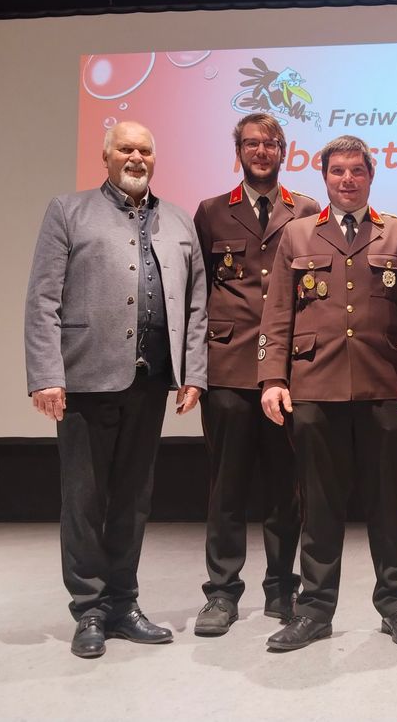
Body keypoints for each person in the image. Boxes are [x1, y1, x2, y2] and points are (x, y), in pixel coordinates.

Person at [25, 120, 207, 659]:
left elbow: (197, 303)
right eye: (125, 148)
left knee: (133, 500)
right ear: (105, 156)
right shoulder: (68, 211)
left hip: (149, 384)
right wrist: (46, 374)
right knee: (84, 501)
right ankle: (89, 609)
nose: (136, 157)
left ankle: (125, 603)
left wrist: (193, 371)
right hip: (82, 382)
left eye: (145, 150)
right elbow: (42, 299)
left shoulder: (178, 220)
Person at [259, 134, 397, 652]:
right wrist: (272, 378)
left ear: (371, 176)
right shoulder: (297, 236)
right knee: (319, 506)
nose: (347, 179)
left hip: (385, 386)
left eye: (357, 170)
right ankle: (314, 610)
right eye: (337, 171)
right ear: (325, 178)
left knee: (387, 503)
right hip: (314, 387)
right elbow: (277, 313)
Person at [192, 114, 319, 636]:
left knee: (285, 488)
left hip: (289, 373)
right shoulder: (212, 212)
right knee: (227, 488)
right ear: (238, 151)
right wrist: (192, 369)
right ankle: (221, 594)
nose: (261, 151)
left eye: (270, 143)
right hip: (227, 368)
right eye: (252, 143)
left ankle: (281, 588)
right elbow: (196, 293)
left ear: (284, 151)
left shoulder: (307, 210)